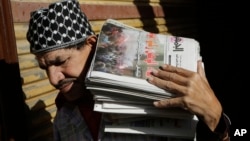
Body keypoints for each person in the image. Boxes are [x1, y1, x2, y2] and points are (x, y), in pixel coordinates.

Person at [26, 0, 230, 141]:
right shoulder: (64, 120)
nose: (53, 79)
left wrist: (217, 121)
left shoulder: (152, 93)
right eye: (44, 67)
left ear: (91, 43)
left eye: (61, 61)